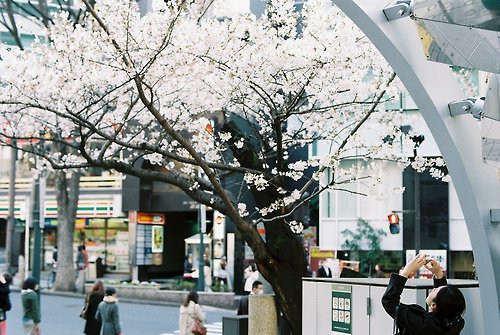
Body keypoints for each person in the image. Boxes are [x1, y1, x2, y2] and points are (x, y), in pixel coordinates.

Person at [382, 254, 466, 335]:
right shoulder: (456, 322)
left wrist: (406, 271)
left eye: (435, 290)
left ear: (433, 305)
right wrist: (438, 274)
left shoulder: (422, 325)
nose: (434, 288)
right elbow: (445, 300)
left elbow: (389, 301)